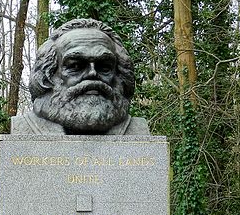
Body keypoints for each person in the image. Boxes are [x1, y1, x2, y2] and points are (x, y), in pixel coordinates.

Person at [11, 18, 150, 135]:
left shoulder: (137, 130)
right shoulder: (24, 128)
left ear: (119, 74)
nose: (92, 73)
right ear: (49, 74)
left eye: (104, 67)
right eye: (76, 66)